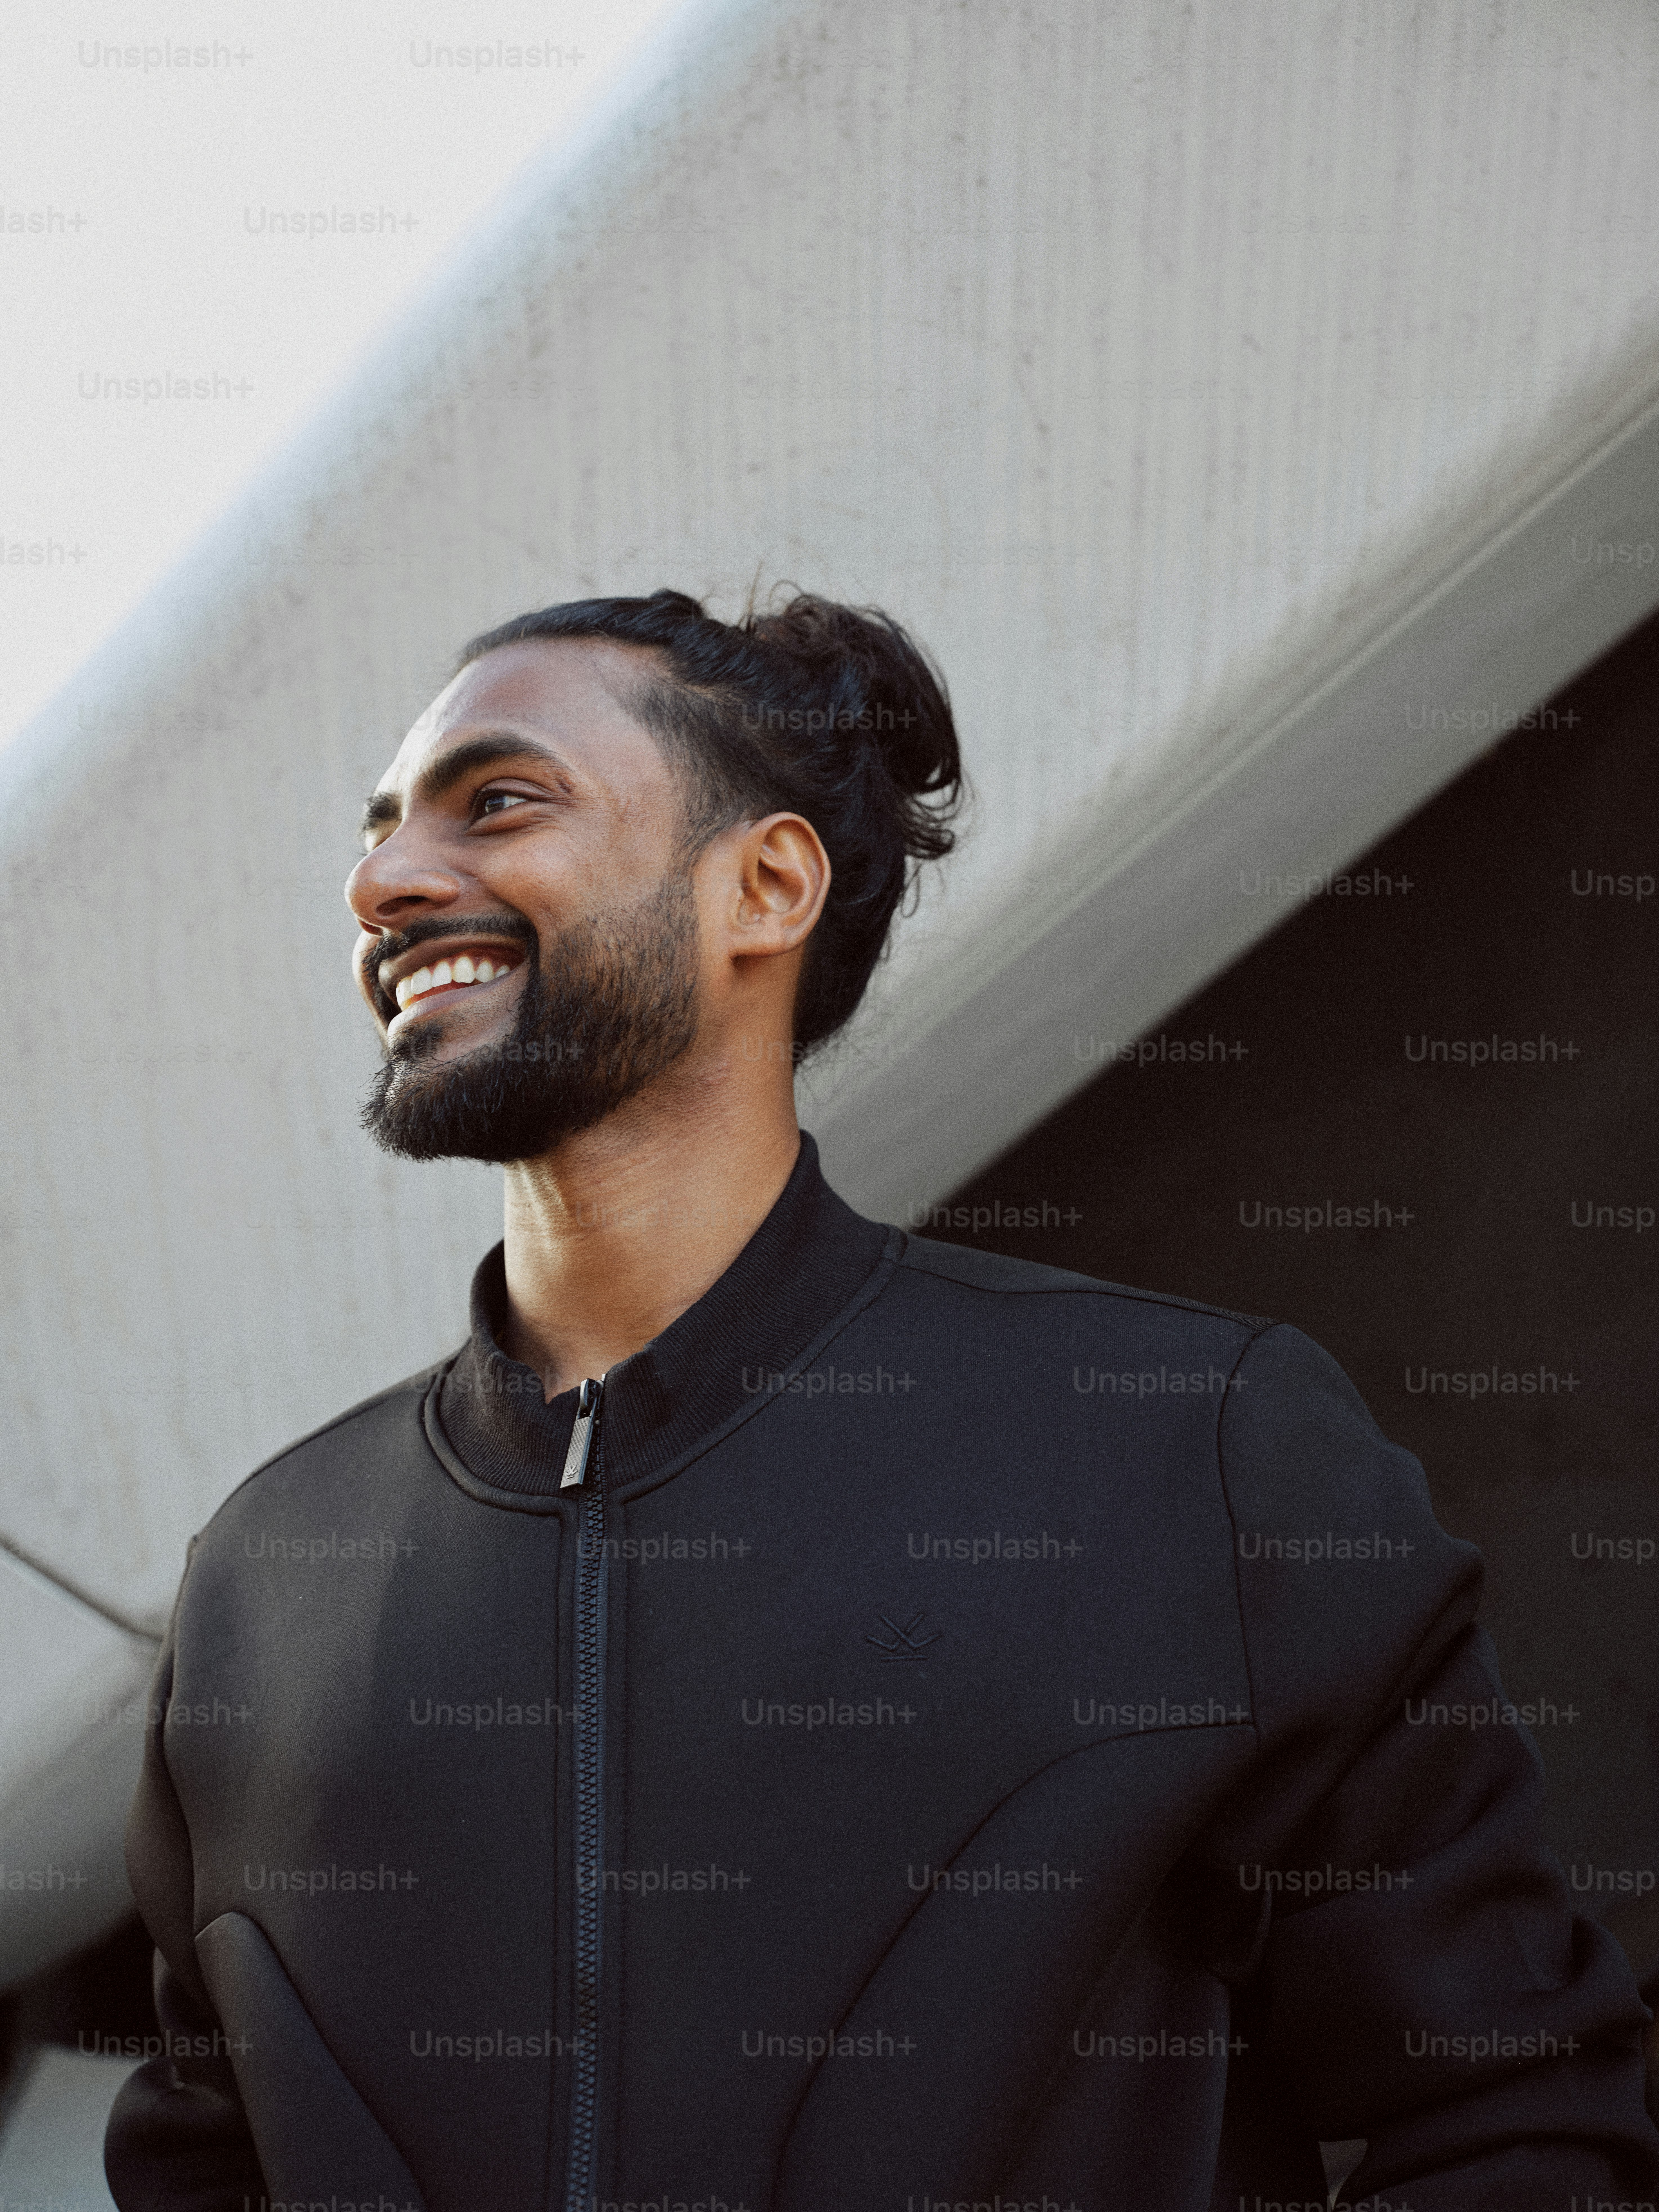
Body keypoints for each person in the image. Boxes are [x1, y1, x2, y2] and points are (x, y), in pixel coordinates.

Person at [106, 589, 1658, 2211]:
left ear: (765, 884)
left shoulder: (1190, 1447)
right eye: (377, 833)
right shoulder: (262, 1583)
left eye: (499, 800)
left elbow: (1518, 2117)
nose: (385, 882)